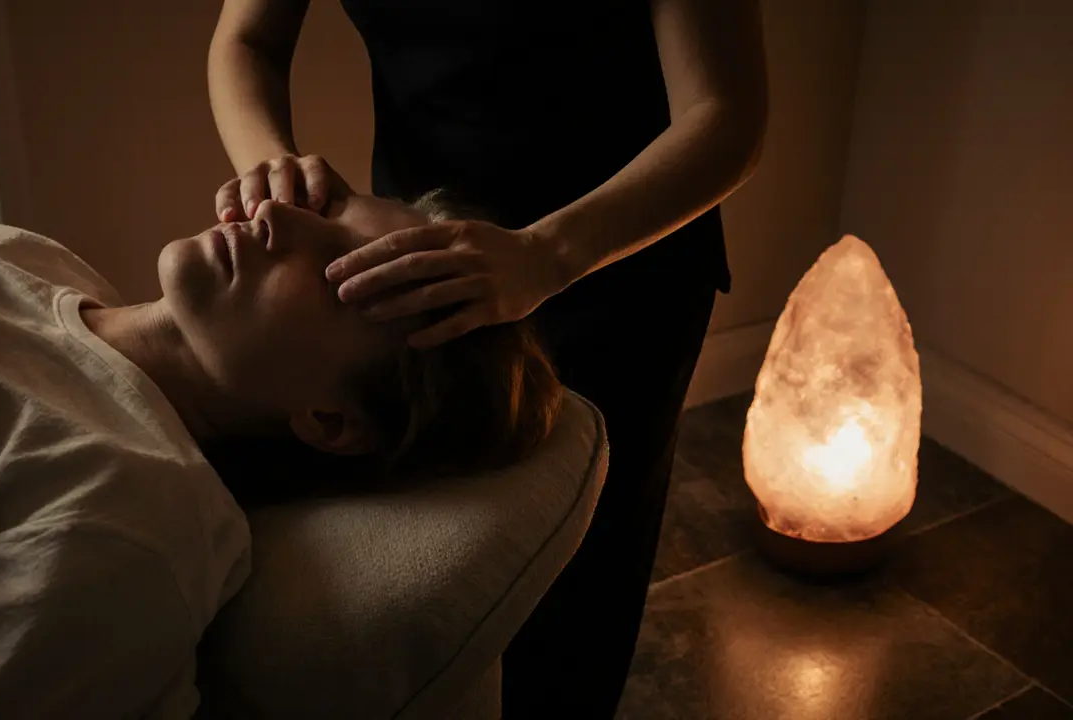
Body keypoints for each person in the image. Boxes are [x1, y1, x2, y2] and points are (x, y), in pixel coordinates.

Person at [0, 193, 562, 718]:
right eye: (325, 209)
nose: (277, 215)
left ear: (331, 420)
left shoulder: (125, 532)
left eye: (342, 267)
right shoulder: (29, 255)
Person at [207, 1, 768, 715]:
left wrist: (547, 253)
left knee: (577, 598)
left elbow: (725, 117)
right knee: (428, 581)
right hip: (423, 283)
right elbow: (248, 39)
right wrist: (271, 165)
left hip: (616, 264)